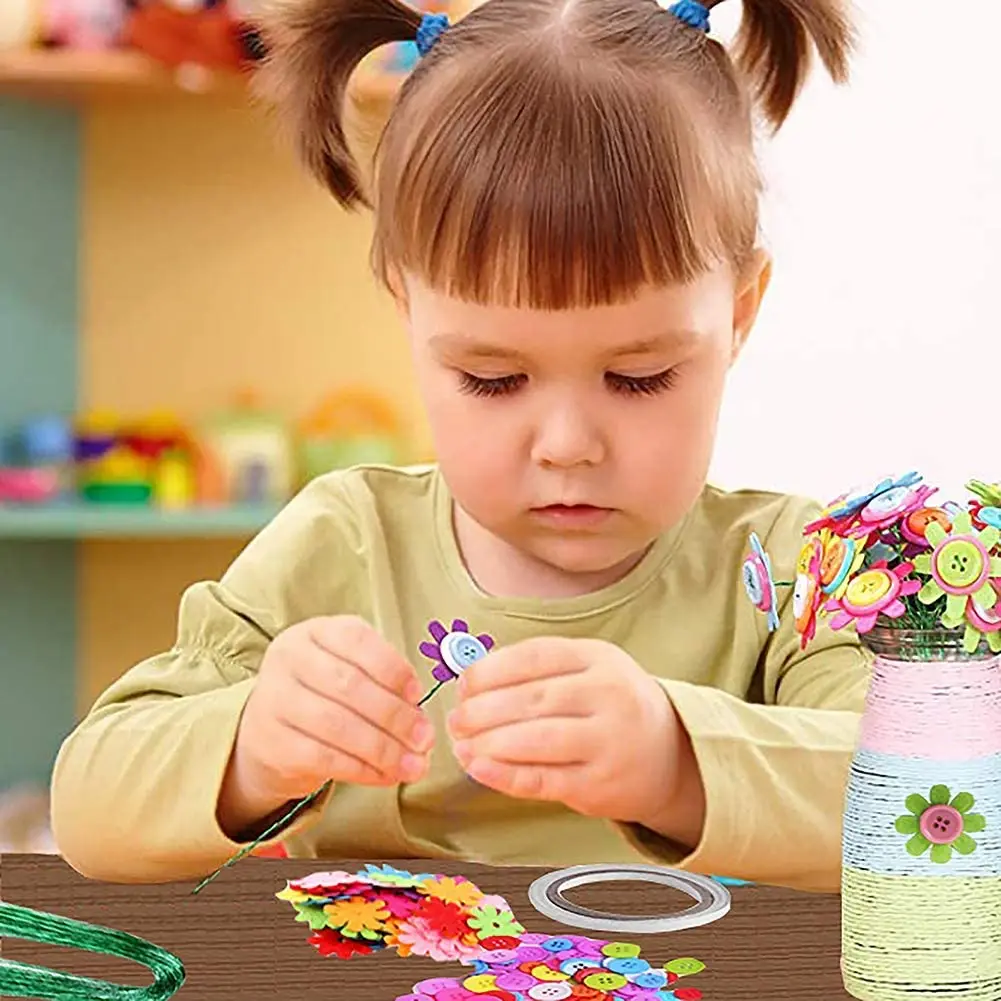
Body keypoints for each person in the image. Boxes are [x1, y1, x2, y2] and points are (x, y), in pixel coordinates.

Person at [50, 0, 869, 892]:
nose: (566, 445)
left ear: (739, 314)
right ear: (408, 308)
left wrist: (679, 761)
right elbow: (91, 808)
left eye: (638, 377)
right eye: (492, 379)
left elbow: (943, 809)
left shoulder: (799, 570)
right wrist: (250, 746)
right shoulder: (343, 544)